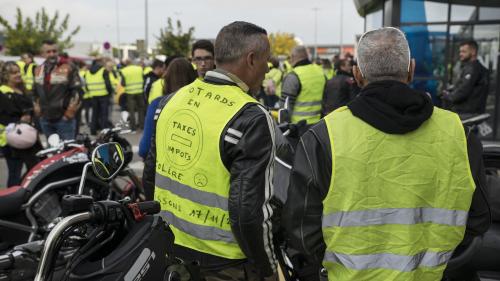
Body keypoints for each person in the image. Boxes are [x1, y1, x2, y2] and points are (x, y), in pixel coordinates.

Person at [283, 27, 490, 281]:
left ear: (357, 75)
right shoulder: (460, 134)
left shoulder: (322, 137)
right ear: (411, 69)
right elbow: (478, 218)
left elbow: (302, 230)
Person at [143, 21, 278, 281]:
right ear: (251, 59)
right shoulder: (251, 116)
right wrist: (268, 266)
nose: (267, 68)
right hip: (223, 262)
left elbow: (150, 173)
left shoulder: (172, 101)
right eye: (266, 61)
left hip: (169, 248)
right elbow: (249, 212)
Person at [139, 58, 197, 161]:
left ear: (167, 78)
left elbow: (144, 149)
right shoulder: (201, 105)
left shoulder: (157, 104)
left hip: (163, 169)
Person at [0, 61, 41, 186]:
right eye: (13, 73)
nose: (18, 75)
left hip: (26, 136)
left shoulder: (20, 90)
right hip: (12, 140)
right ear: (5, 75)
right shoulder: (3, 92)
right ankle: (12, 200)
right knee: (16, 172)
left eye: (18, 72)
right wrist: (26, 115)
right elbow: (8, 115)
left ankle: (21, 193)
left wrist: (33, 111)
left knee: (35, 168)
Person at [33, 40, 81, 140]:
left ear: (58, 51)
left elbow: (77, 91)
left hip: (64, 119)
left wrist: (69, 113)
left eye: (54, 51)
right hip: (45, 119)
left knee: (68, 151)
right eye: (48, 52)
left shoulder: (69, 67)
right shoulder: (38, 69)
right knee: (52, 151)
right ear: (43, 54)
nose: (52, 54)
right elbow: (34, 92)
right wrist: (38, 110)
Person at [280, 46, 326, 125]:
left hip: (298, 127)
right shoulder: (320, 72)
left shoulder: (293, 76)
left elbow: (285, 107)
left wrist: (284, 126)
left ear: (293, 57)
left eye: (290, 57)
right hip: (319, 125)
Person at [442, 40, 489, 115]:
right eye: (460, 51)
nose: (460, 54)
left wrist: (448, 96)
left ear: (473, 52)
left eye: (464, 51)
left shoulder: (473, 69)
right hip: (468, 110)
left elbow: (463, 91)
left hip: (467, 112)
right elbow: (460, 85)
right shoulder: (470, 67)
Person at [85, 58, 114, 135]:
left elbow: (86, 85)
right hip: (103, 95)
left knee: (94, 114)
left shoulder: (87, 72)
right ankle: (104, 131)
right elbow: (108, 84)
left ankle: (93, 130)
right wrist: (109, 92)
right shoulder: (103, 71)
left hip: (93, 96)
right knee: (104, 114)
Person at [120, 59, 145, 132]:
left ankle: (133, 127)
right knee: (141, 109)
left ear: (126, 64)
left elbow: (123, 83)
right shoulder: (139, 69)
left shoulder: (124, 71)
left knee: (132, 110)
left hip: (130, 93)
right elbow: (143, 79)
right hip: (140, 91)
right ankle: (141, 125)